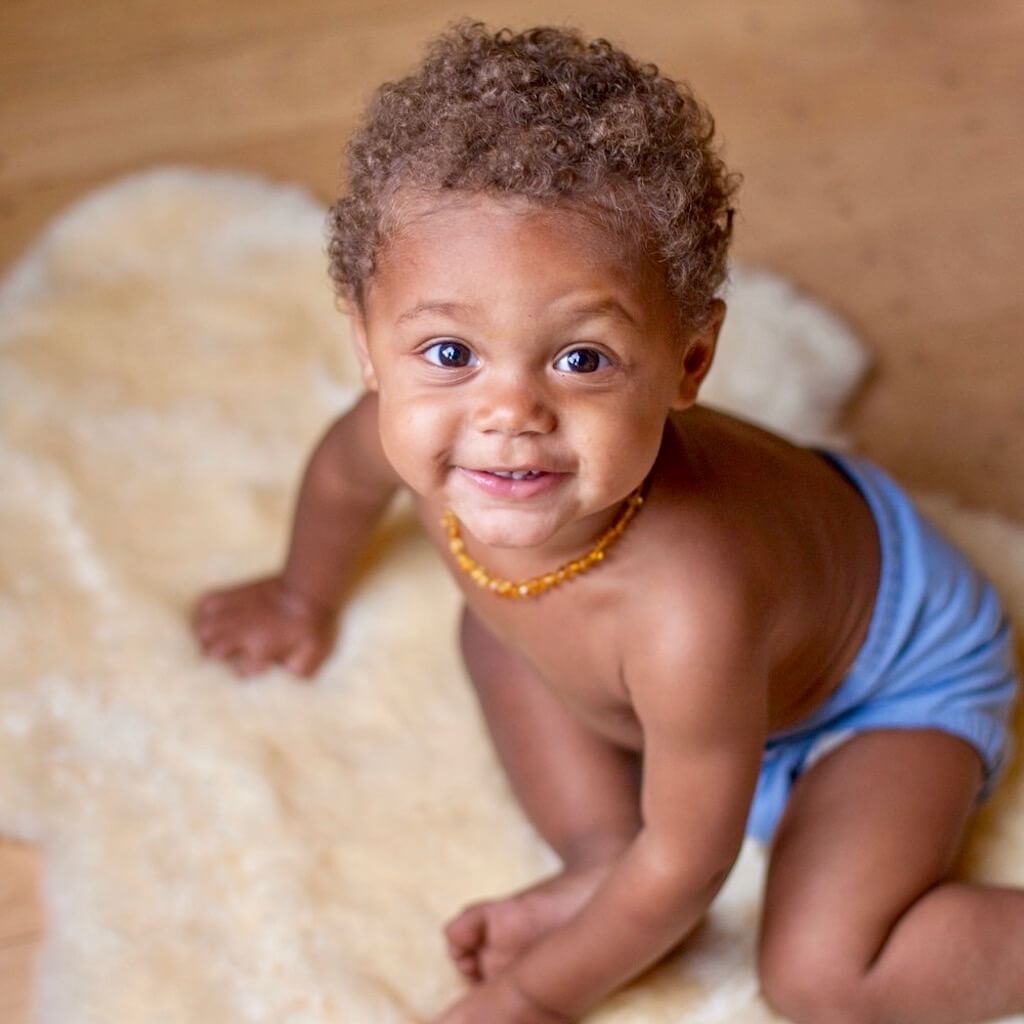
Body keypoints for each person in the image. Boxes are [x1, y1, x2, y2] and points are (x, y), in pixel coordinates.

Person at [191, 20, 1022, 1024]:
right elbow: (338, 487)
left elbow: (685, 866)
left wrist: (534, 998)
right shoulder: (392, 437)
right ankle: (594, 854)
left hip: (878, 690)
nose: (507, 416)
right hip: (698, 679)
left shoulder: (688, 607)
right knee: (493, 625)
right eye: (448, 353)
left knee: (824, 974)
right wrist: (297, 595)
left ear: (688, 360)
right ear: (368, 342)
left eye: (580, 359)